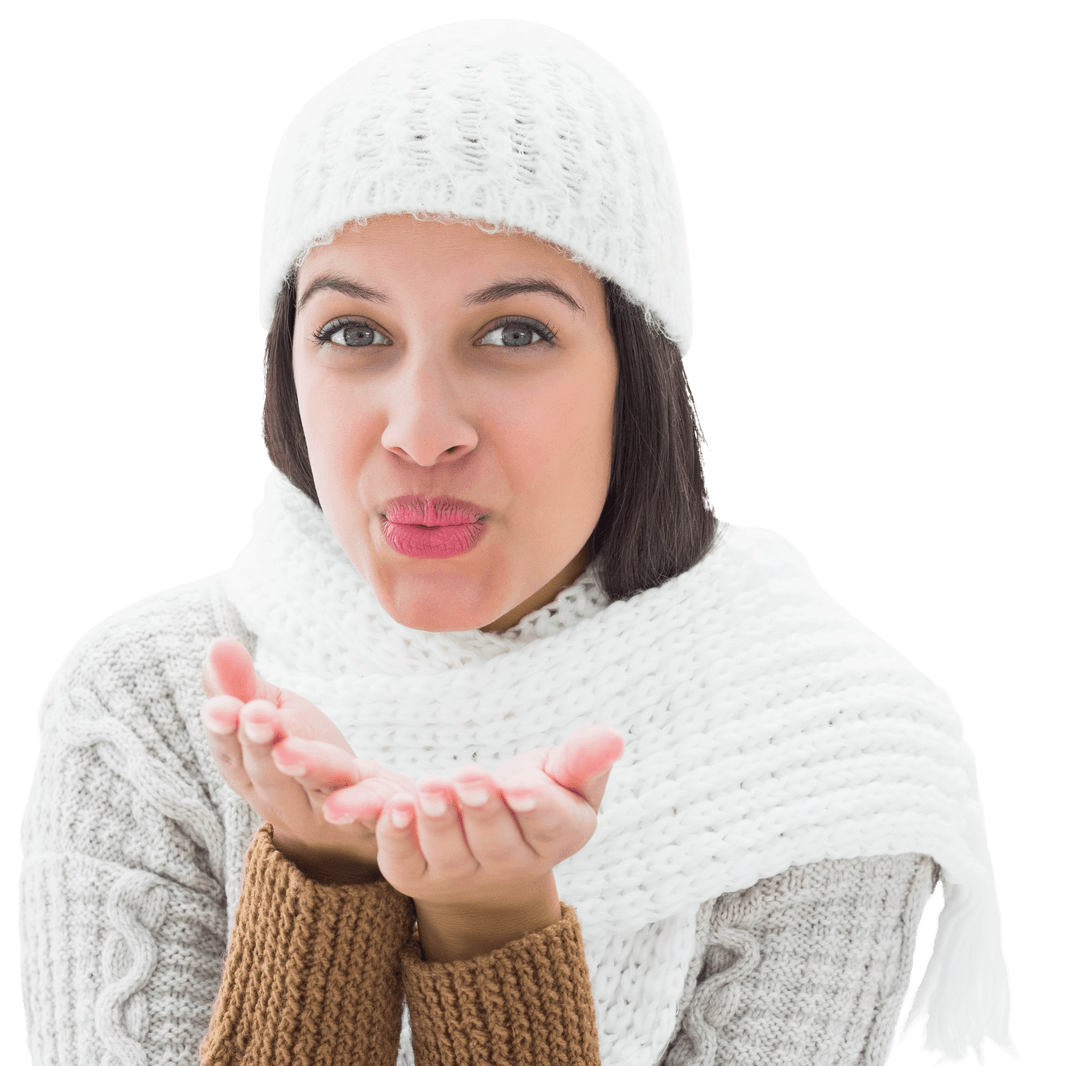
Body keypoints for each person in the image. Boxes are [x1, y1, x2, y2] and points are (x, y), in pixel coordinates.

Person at [18, 18, 1024, 1066]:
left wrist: (492, 932)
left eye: (514, 333)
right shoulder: (150, 710)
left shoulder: (815, 747)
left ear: (634, 375)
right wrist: (324, 877)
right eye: (354, 332)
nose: (419, 429)